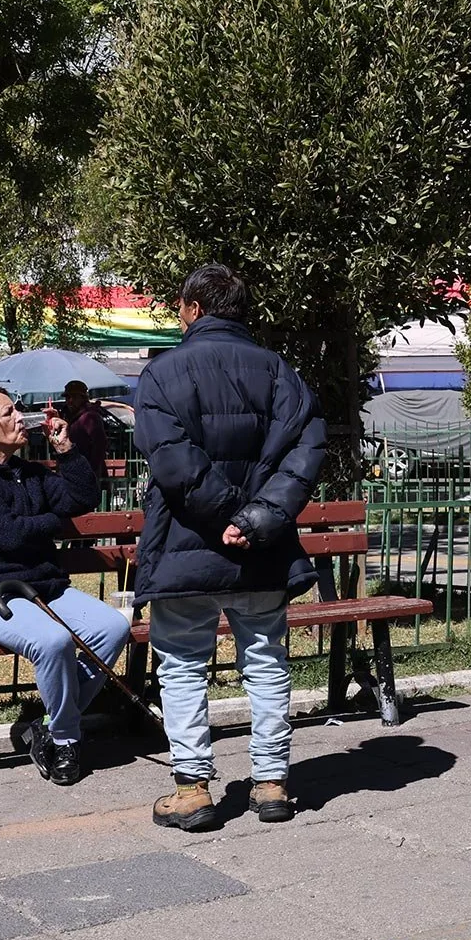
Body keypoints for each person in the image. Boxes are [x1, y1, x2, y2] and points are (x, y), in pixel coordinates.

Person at [133, 262, 326, 831]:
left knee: (183, 665)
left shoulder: (162, 374)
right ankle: (272, 783)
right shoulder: (281, 372)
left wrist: (224, 516)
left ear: (191, 309)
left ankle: (192, 789)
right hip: (262, 548)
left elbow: (171, 460)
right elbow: (306, 452)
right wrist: (256, 518)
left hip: (185, 545)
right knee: (266, 662)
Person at [0, 386, 130, 785]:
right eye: (9, 413)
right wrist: (52, 525)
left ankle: (47, 724)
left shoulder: (28, 473)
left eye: (18, 410)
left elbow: (82, 498)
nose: (22, 418)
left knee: (114, 627)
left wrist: (67, 452)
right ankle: (65, 739)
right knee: (53, 641)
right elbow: (9, 535)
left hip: (43, 589)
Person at [59, 379, 111, 470]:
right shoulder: (66, 416)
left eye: (74, 397)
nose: (70, 401)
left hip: (88, 473)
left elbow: (100, 445)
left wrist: (92, 471)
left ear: (83, 398)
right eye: (67, 397)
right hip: (71, 470)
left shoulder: (90, 416)